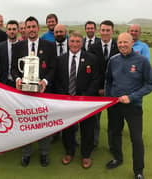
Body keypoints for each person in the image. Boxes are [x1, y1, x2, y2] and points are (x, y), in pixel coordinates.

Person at [105, 32, 152, 179]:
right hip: (114, 105)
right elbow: (108, 81)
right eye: (120, 43)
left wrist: (132, 97)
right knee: (114, 133)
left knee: (136, 139)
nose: (122, 45)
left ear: (132, 42)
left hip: (133, 106)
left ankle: (138, 171)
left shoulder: (142, 61)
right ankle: (117, 158)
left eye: (125, 42)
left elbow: (151, 84)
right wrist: (109, 97)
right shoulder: (113, 60)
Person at [11, 16, 56, 167]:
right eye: (28, 27)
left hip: (42, 92)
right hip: (24, 93)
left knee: (43, 122)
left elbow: (52, 68)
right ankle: (26, 153)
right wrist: (17, 79)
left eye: (33, 27)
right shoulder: (18, 46)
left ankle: (44, 153)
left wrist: (45, 81)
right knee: (27, 123)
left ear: (38, 28)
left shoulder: (49, 45)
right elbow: (13, 68)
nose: (31, 29)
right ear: (25, 29)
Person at [55, 31, 100, 168]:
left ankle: (86, 155)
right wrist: (64, 96)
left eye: (77, 42)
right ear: (68, 42)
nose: (74, 44)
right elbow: (57, 81)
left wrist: (85, 96)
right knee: (67, 129)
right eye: (72, 41)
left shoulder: (91, 59)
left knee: (87, 129)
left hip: (85, 102)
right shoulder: (60, 59)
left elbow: (96, 80)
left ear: (82, 43)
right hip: (67, 101)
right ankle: (69, 152)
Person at [88, 20, 119, 148]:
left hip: (114, 91)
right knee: (95, 119)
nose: (105, 33)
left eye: (108, 30)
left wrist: (109, 89)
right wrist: (100, 88)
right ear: (99, 31)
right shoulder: (93, 47)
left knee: (114, 120)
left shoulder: (118, 47)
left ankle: (113, 145)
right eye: (103, 30)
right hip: (97, 90)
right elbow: (91, 72)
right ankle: (94, 142)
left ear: (112, 31)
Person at [0, 20, 19, 87]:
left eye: (14, 29)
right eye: (9, 29)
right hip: (4, 82)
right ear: (6, 31)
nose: (12, 31)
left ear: (18, 30)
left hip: (19, 82)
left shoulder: (23, 46)